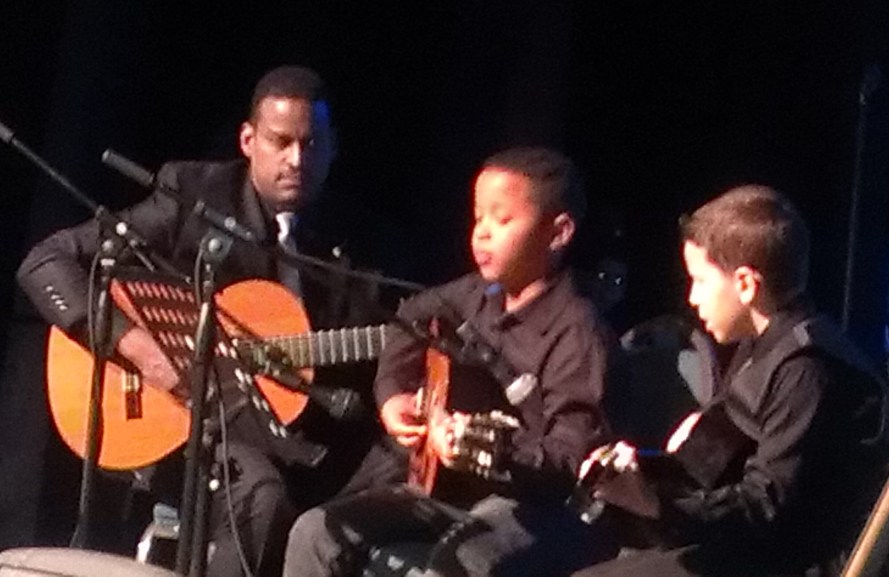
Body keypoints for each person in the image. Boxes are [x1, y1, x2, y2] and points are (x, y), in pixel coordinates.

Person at [17, 65, 390, 577]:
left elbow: (389, 339)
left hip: (304, 434)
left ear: (333, 147)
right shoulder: (193, 197)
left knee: (400, 473)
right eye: (280, 142)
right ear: (248, 139)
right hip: (191, 433)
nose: (296, 159)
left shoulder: (355, 238)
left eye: (312, 143)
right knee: (261, 497)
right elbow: (45, 262)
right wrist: (142, 350)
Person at [283, 146, 619, 576]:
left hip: (535, 505)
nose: (482, 233)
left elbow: (569, 461)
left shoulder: (577, 332)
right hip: (450, 489)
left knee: (463, 561)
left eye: (502, 220)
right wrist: (393, 396)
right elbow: (409, 319)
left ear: (558, 233)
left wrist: (490, 450)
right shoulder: (473, 295)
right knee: (318, 531)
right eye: (479, 217)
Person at [571, 185, 888, 576]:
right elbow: (718, 459)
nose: (691, 297)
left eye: (700, 280)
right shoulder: (763, 345)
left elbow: (766, 507)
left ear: (745, 284)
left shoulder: (806, 368)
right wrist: (641, 470)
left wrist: (657, 504)